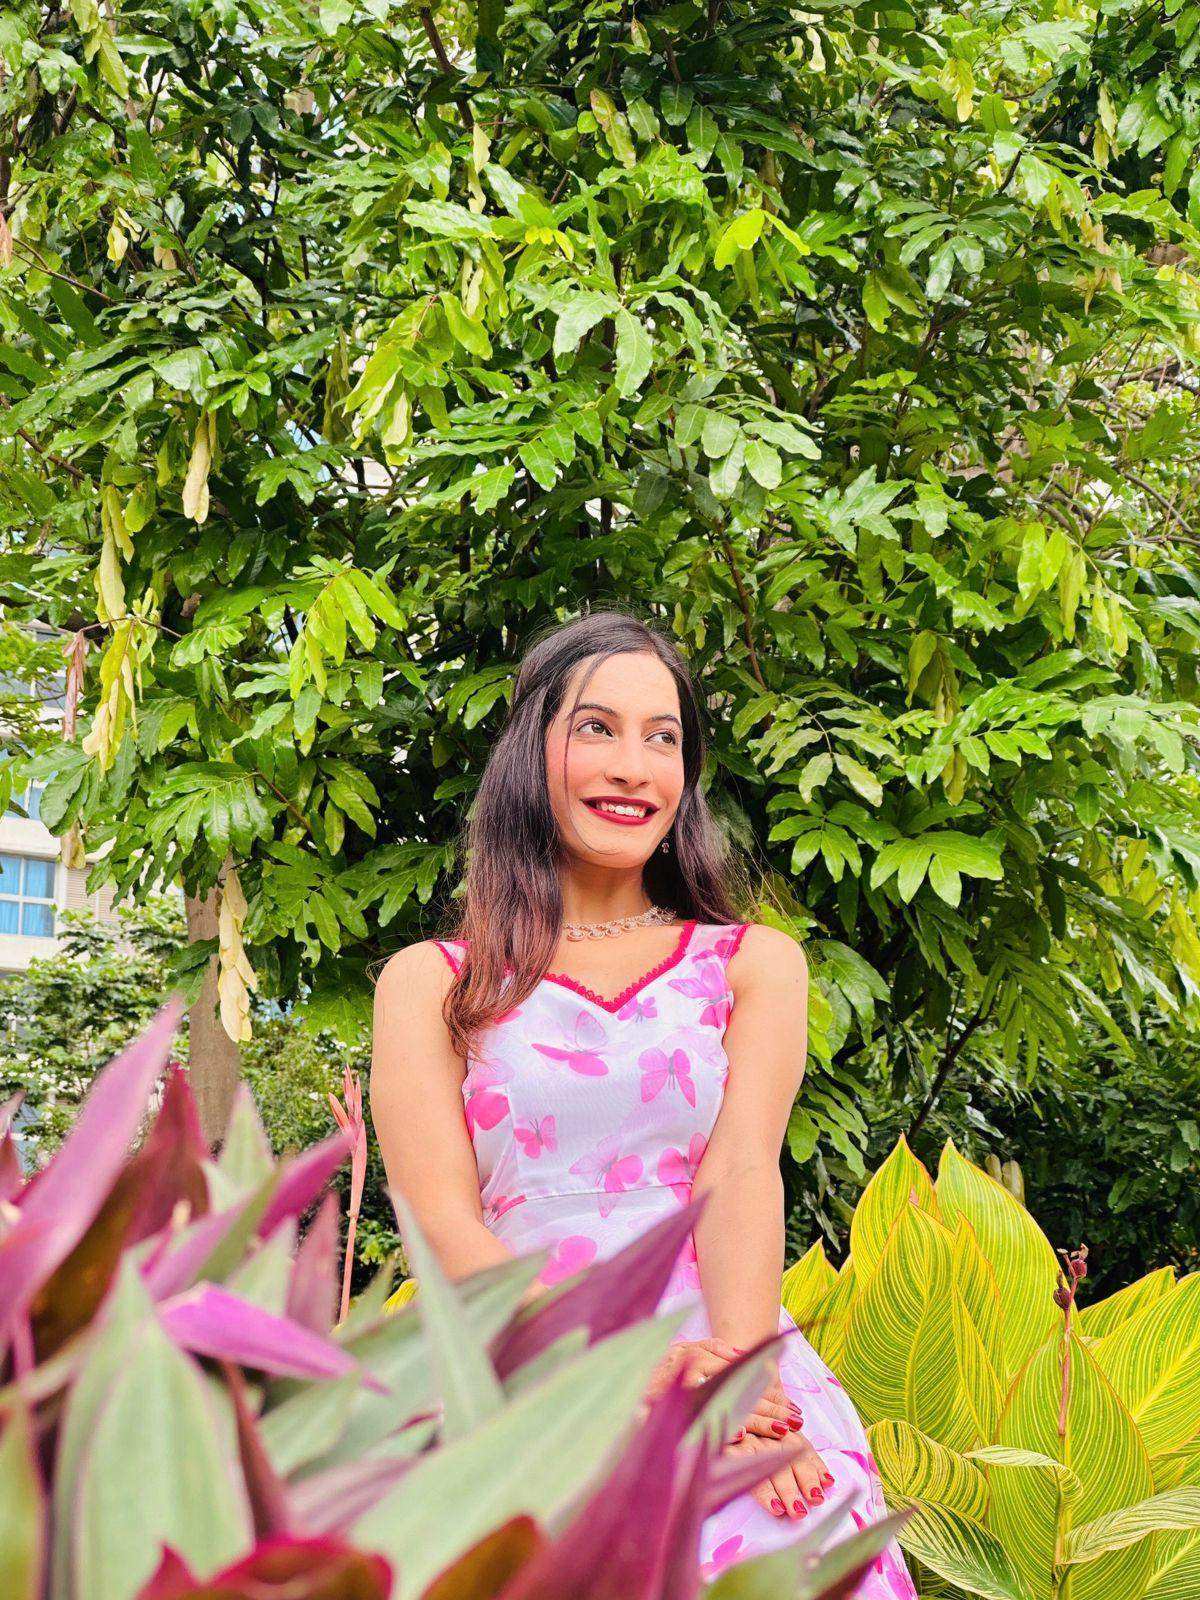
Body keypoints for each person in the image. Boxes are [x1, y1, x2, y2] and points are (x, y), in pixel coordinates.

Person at [371, 610, 916, 1593]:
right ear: (530, 752)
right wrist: (622, 1366)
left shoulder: (752, 963)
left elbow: (739, 1172)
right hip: (522, 1363)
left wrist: (744, 1391)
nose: (633, 767)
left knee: (787, 1542)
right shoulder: (434, 983)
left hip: (723, 1352)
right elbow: (439, 1219)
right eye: (597, 728)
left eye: (662, 738)